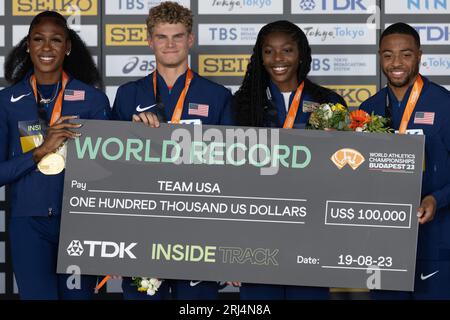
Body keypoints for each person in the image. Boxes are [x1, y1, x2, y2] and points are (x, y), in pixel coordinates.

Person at [111, 1, 233, 300]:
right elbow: (109, 168)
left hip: (200, 226)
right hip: (142, 225)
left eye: (177, 36)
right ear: (149, 40)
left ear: (190, 39)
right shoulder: (129, 94)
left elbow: (234, 171)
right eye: (162, 37)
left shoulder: (217, 96)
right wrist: (132, 133)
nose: (170, 44)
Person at [232, 20, 346, 300]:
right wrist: (229, 250)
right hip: (257, 238)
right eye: (269, 51)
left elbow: (346, 173)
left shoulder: (329, 101)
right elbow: (230, 177)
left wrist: (337, 147)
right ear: (260, 56)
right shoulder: (242, 104)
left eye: (287, 50)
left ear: (301, 54)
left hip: (311, 235)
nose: (278, 59)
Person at [0, 11, 111, 299]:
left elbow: (110, 172)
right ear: (28, 45)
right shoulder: (7, 102)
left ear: (68, 46)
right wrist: (40, 151)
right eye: (38, 39)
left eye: (56, 40)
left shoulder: (93, 100)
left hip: (80, 223)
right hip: (28, 225)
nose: (46, 48)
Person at [359, 22, 450, 300]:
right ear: (379, 56)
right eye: (388, 55)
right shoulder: (367, 110)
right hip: (383, 243)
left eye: (406, 54)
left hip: (434, 240)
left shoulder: (444, 104)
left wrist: (437, 199)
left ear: (420, 55)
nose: (396, 63)